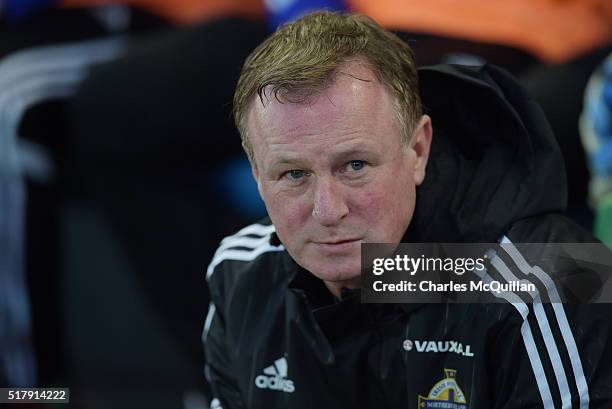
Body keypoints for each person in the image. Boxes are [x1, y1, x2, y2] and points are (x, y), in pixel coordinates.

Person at [203, 11, 612, 408]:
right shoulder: (241, 272)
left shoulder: (557, 287)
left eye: (355, 166)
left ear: (418, 150)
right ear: (256, 174)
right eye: (294, 174)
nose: (328, 210)